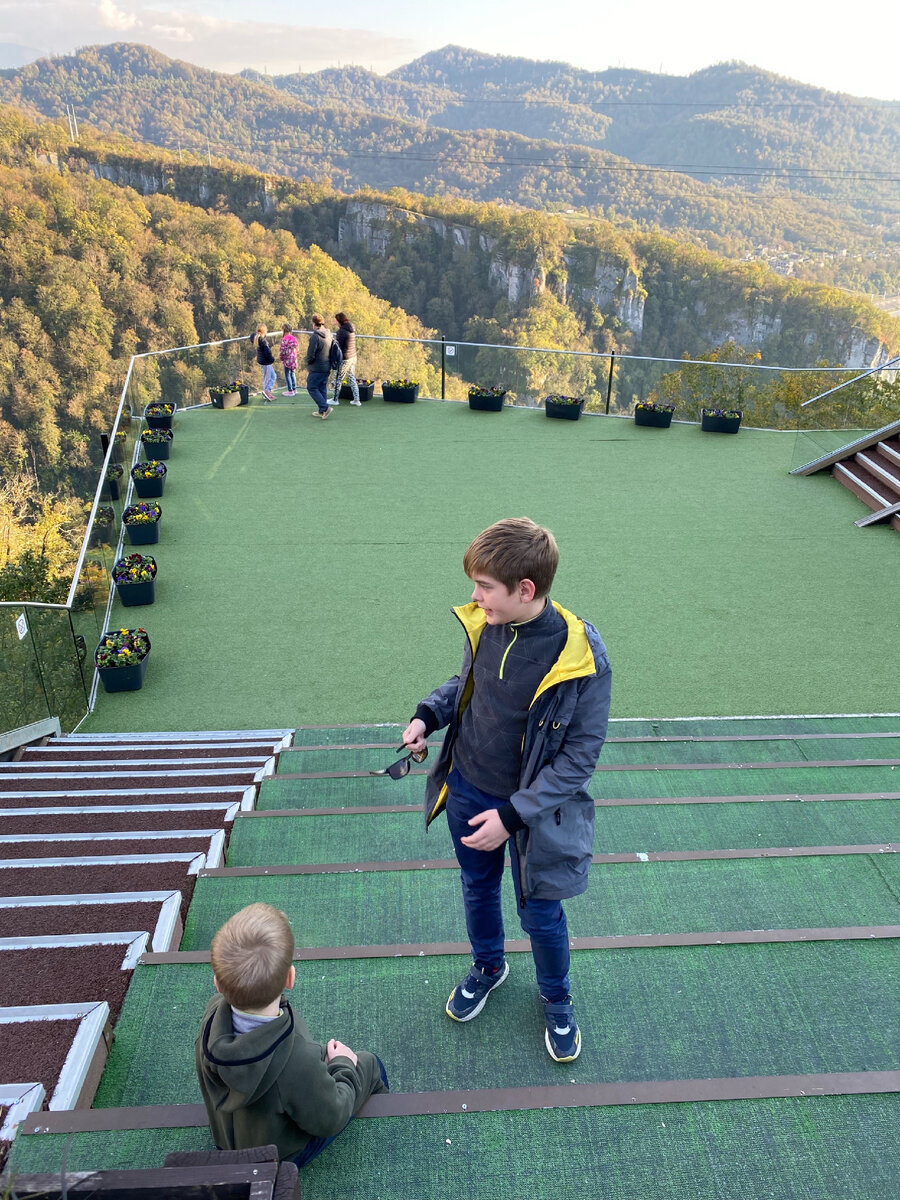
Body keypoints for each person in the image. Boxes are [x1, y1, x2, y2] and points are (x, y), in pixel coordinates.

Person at [401, 517, 611, 1063]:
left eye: (484, 587)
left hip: (531, 816)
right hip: (467, 790)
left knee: (540, 913)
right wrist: (429, 716)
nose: (474, 597)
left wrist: (513, 817)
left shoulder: (581, 655)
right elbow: (467, 683)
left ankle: (556, 998)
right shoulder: (487, 623)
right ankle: (489, 966)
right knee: (476, 889)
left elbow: (578, 760)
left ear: (525, 590)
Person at [196, 902, 389, 1167]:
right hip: (279, 1156)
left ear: (217, 984)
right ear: (290, 978)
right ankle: (388, 1119)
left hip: (227, 1141)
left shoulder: (211, 1018)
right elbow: (330, 1118)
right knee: (369, 1063)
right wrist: (343, 1065)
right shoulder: (295, 1061)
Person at [305, 314, 332, 419]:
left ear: (314, 324)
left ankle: (324, 408)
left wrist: (308, 362)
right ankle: (322, 411)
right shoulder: (329, 334)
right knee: (322, 388)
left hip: (317, 367)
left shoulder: (315, 336)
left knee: (311, 387)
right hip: (327, 365)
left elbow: (311, 353)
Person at [331, 312, 361, 406]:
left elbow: (338, 346)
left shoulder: (341, 332)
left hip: (344, 359)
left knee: (338, 378)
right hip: (352, 357)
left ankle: (335, 399)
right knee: (351, 377)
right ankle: (357, 400)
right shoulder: (351, 330)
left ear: (339, 321)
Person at [250, 325, 276, 403]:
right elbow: (268, 353)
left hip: (263, 361)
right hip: (266, 362)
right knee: (268, 378)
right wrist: (272, 359)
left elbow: (252, 335)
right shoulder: (263, 342)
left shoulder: (255, 338)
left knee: (273, 376)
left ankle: (267, 392)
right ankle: (266, 392)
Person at [279, 323, 299, 396]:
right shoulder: (294, 338)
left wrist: (281, 357)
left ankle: (290, 390)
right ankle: (294, 389)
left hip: (287, 359)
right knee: (293, 373)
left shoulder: (284, 339)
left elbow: (282, 350)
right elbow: (297, 348)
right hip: (294, 358)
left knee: (287, 374)